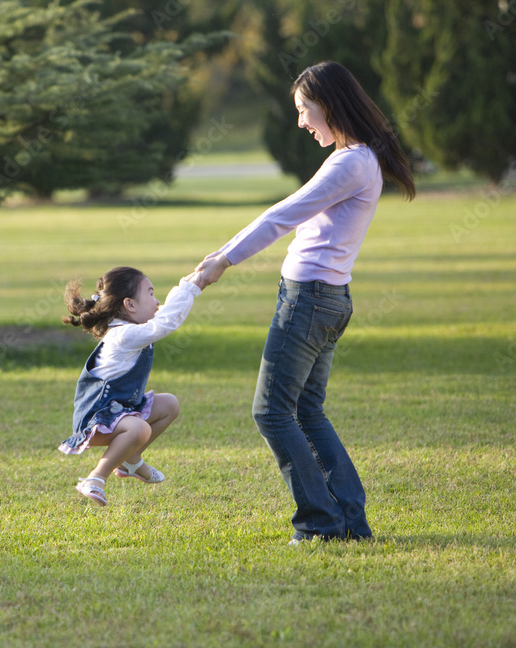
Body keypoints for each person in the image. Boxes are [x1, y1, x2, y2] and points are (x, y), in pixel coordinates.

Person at [194, 61, 416, 544]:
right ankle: (349, 524)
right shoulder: (357, 158)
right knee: (307, 412)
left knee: (272, 411)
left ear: (329, 104)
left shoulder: (350, 162)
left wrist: (222, 260)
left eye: (304, 109)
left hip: (310, 300)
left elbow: (283, 215)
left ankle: (319, 524)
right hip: (325, 298)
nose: (300, 121)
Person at [60, 266, 204, 507]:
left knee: (169, 404)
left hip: (121, 410)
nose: (156, 301)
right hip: (96, 418)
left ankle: (130, 460)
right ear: (130, 305)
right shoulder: (123, 335)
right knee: (140, 429)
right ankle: (96, 477)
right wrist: (190, 288)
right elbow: (166, 323)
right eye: (150, 293)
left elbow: (164, 317)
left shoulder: (131, 330)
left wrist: (188, 281)